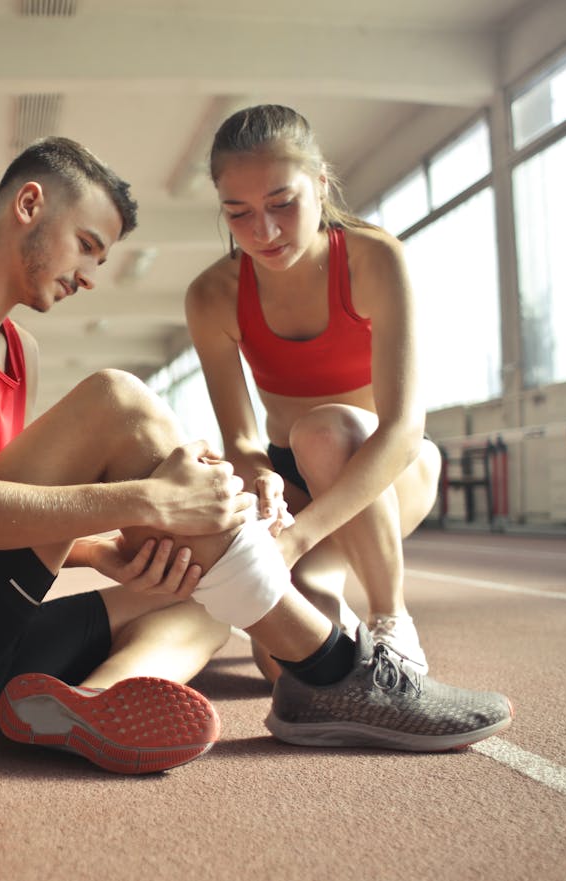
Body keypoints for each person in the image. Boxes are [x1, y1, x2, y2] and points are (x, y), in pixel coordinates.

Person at [0, 136, 512, 776]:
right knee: (115, 400)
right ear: (30, 204)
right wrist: (147, 503)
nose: (91, 276)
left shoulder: (21, 352)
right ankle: (331, 667)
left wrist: (106, 551)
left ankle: (95, 701)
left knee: (201, 589)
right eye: (88, 246)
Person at [186, 104, 443, 678]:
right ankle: (330, 593)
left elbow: (403, 430)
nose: (265, 232)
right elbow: (243, 438)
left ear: (321, 183)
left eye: (282, 204)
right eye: (239, 213)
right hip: (295, 481)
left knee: (325, 430)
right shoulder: (212, 296)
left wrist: (298, 539)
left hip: (389, 469)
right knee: (284, 666)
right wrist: (262, 481)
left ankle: (390, 619)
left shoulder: (376, 259)